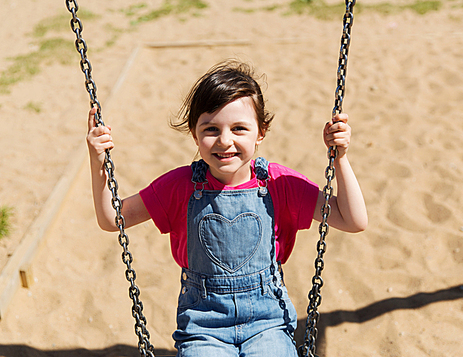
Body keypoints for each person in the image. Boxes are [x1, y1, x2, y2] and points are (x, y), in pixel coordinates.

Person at [86, 60, 367, 357]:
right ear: (195, 134)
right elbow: (112, 219)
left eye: (239, 128)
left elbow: (353, 220)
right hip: (204, 326)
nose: (225, 141)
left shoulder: (279, 183)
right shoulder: (179, 185)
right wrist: (97, 162)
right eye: (211, 129)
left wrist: (341, 159)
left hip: (267, 322)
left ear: (261, 132)